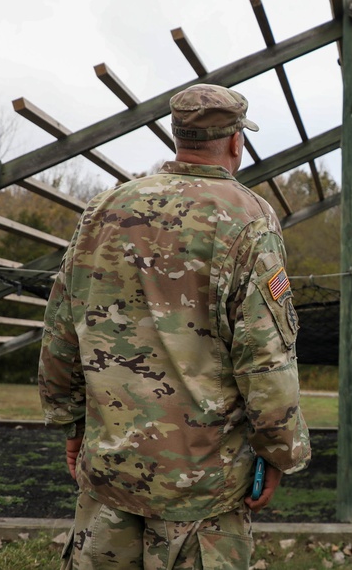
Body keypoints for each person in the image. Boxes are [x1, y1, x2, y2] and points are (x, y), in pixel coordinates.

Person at [38, 83, 311, 570]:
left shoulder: (103, 210)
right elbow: (265, 357)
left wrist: (71, 422)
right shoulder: (248, 219)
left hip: (110, 474)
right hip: (203, 489)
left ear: (176, 135)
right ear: (234, 142)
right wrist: (279, 452)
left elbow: (61, 330)